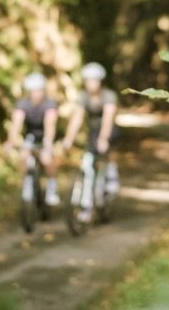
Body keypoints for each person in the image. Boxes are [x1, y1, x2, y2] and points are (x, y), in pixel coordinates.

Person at [62, 62, 119, 222]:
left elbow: (108, 119)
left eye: (93, 80)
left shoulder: (108, 96)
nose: (90, 84)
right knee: (88, 164)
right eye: (87, 80)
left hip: (109, 130)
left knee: (107, 150)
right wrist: (68, 139)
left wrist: (103, 138)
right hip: (93, 132)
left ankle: (112, 174)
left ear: (100, 81)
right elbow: (77, 119)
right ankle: (87, 205)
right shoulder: (83, 97)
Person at [4, 72, 61, 206]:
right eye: (33, 91)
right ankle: (26, 185)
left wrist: (47, 145)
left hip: (46, 137)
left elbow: (50, 125)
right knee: (23, 156)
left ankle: (52, 189)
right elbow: (16, 124)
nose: (36, 93)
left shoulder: (49, 104)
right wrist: (11, 141)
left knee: (47, 160)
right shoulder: (23, 104)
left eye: (39, 90)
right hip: (30, 136)